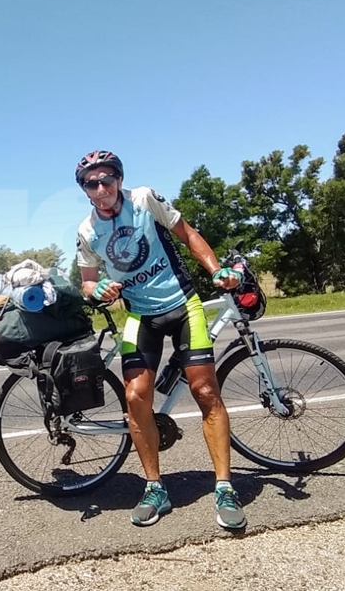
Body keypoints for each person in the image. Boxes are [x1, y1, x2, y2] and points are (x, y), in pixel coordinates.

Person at [74, 150, 246, 530]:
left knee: (205, 390)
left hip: (184, 305)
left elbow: (188, 235)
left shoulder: (144, 199)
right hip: (140, 315)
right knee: (136, 397)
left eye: (106, 180)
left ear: (119, 180)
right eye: (91, 183)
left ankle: (224, 487)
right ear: (84, 189)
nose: (100, 188)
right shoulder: (87, 231)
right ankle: (154, 487)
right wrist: (97, 289)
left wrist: (216, 271)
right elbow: (87, 280)